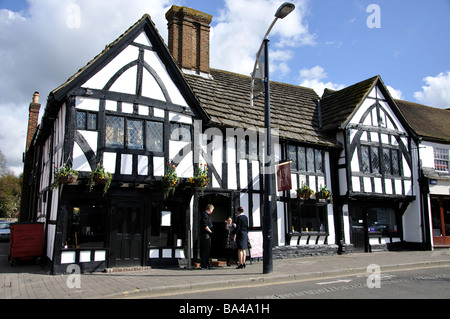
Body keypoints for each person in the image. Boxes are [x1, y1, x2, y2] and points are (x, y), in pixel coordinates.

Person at [200, 204, 214, 269]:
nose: (212, 211)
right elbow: (205, 225)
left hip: (208, 234)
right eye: (212, 210)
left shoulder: (207, 215)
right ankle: (204, 264)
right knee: (205, 249)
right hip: (206, 234)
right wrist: (210, 231)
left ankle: (207, 263)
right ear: (210, 209)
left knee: (207, 249)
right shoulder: (204, 215)